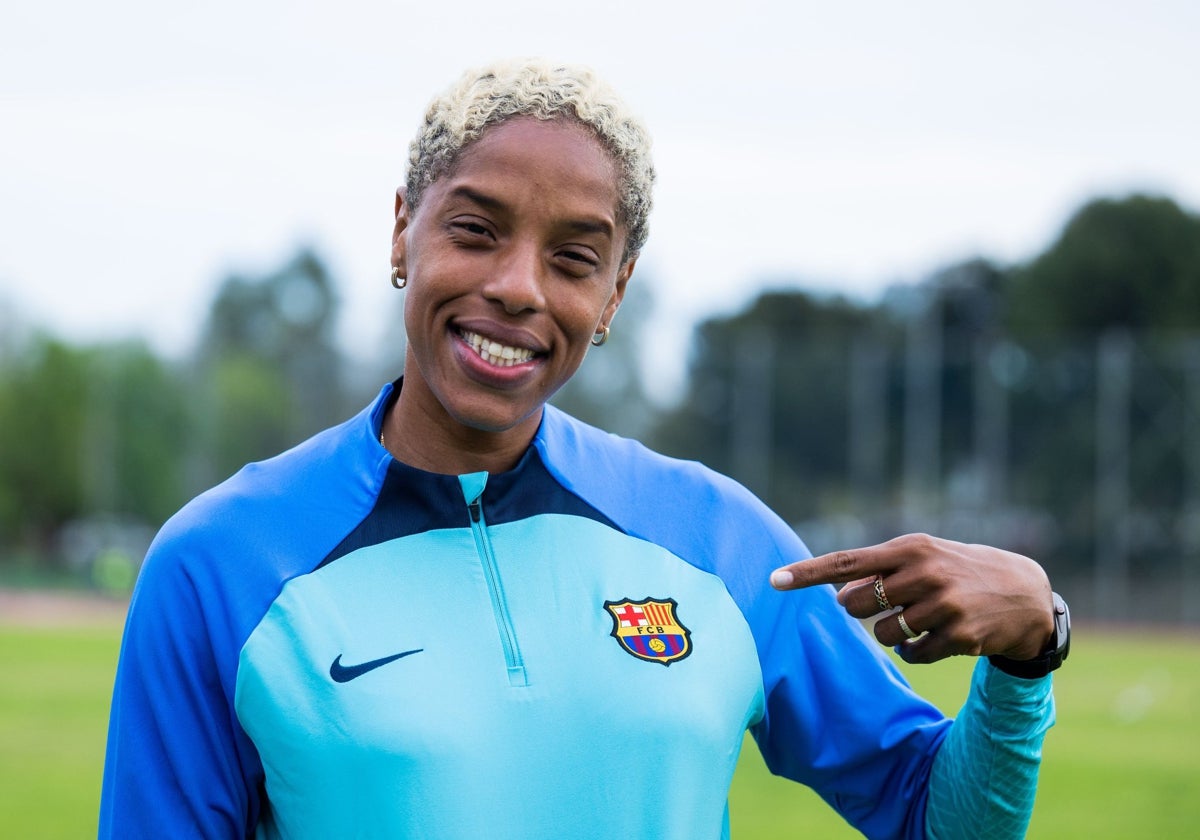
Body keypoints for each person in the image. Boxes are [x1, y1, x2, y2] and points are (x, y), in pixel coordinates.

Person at [99, 58, 1067, 839]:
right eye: (476, 231)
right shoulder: (219, 564)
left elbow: (933, 819)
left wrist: (1030, 652)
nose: (519, 287)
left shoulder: (719, 542)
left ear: (614, 291)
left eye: (573, 258)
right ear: (404, 231)